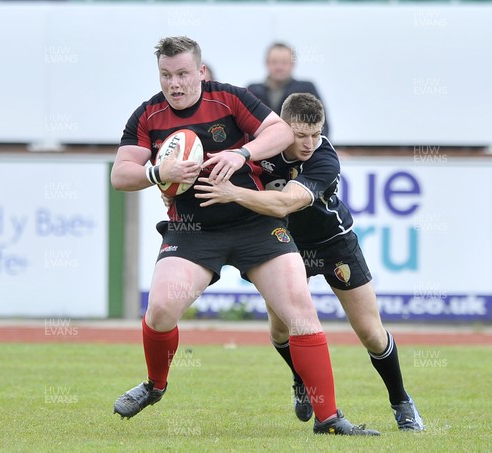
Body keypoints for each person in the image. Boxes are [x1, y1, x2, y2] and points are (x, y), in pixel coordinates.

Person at [111, 36, 379, 436]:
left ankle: (329, 419)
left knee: (301, 313)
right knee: (161, 309)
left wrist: (242, 154)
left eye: (183, 73)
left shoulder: (231, 99)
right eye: (166, 75)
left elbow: (280, 133)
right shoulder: (148, 115)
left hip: (255, 224)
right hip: (192, 229)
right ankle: (155, 385)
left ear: (200, 71)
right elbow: (120, 175)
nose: (175, 84)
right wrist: (157, 173)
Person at [194, 92, 424, 432]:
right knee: (280, 328)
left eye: (316, 133)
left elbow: (285, 204)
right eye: (301, 135)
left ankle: (401, 401)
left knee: (371, 333)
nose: (309, 143)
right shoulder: (258, 145)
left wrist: (234, 194)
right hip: (282, 244)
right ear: (282, 127)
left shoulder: (325, 159)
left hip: (334, 244)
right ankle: (301, 380)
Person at [248, 42, 330, 137]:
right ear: (266, 63)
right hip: (260, 149)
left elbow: (322, 124)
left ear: (293, 64)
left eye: (284, 62)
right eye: (274, 62)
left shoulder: (306, 89)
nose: (279, 67)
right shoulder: (252, 91)